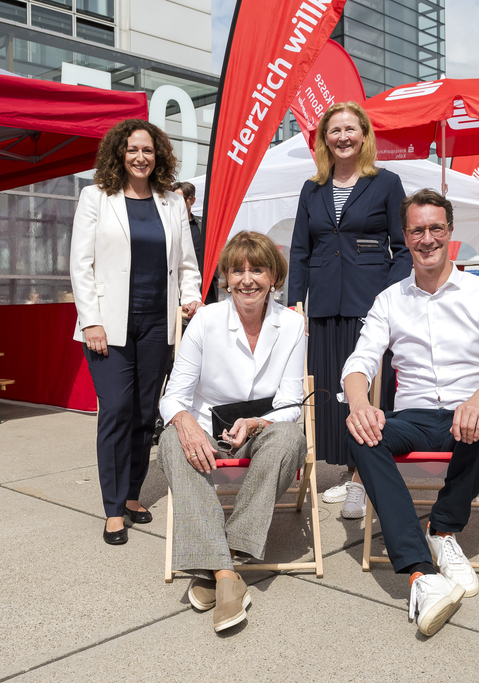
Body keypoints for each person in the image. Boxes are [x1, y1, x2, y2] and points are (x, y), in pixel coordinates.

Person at [342, 189, 479, 636]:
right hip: (414, 417)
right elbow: (360, 361)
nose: (428, 239)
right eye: (418, 230)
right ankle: (421, 573)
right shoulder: (390, 299)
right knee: (362, 433)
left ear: (450, 233)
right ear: (405, 236)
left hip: (469, 412)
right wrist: (360, 404)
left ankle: (443, 529)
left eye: (436, 228)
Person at [158, 231, 307, 633]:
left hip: (261, 429)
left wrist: (259, 422)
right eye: (236, 271)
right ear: (225, 278)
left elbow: (293, 401)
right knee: (172, 439)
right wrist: (185, 422)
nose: (246, 280)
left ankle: (220, 556)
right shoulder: (206, 319)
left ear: (273, 276)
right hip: (208, 429)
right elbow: (174, 396)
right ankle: (227, 575)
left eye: (257, 269)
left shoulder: (291, 324)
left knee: (292, 437)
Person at [70, 119, 202, 545]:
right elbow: (80, 264)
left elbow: (186, 263)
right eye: (132, 150)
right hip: (107, 326)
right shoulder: (95, 197)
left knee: (146, 415)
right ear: (119, 154)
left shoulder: (171, 202)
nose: (140, 157)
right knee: (116, 411)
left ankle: (130, 495)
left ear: (158, 154)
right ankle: (112, 508)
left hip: (157, 326)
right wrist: (90, 319)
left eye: (147, 150)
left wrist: (192, 296)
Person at [287, 101, 411, 519]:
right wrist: (295, 302)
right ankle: (350, 469)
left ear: (364, 135)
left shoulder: (387, 182)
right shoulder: (312, 188)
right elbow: (300, 249)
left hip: (369, 300)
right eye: (334, 130)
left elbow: (403, 247)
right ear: (325, 139)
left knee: (369, 389)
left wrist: (388, 295)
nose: (342, 137)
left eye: (349, 129)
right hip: (324, 303)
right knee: (331, 390)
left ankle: (363, 478)